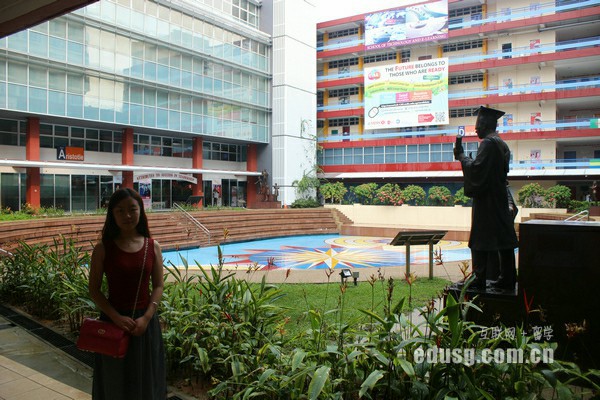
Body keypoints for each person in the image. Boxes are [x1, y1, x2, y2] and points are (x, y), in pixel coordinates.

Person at [88, 188, 166, 399]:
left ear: (141, 211)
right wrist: (116, 317)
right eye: (120, 211)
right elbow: (94, 289)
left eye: (132, 209)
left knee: (146, 379)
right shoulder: (103, 249)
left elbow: (158, 286)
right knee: (114, 381)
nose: (127, 215)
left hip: (144, 324)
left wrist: (147, 318)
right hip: (113, 323)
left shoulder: (153, 247)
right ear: (112, 214)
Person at [454, 106, 519, 291]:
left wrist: (462, 157)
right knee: (503, 239)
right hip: (498, 198)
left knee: (479, 239)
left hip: (487, 201)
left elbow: (476, 171)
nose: (476, 129)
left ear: (485, 124)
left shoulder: (488, 144)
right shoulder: (501, 144)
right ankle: (507, 278)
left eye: (478, 125)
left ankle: (478, 277)